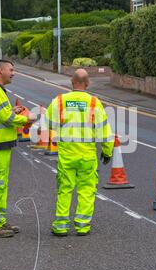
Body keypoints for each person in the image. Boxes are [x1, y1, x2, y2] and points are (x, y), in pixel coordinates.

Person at [45, 69, 114, 236]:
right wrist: (107, 151)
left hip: (67, 154)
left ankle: (60, 226)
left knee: (65, 189)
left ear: (71, 81)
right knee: (86, 190)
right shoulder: (94, 102)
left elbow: (48, 124)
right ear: (88, 83)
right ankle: (82, 225)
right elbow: (104, 132)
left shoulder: (60, 101)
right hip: (87, 155)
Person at [0, 60, 37, 238]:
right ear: (0, 70)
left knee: (1, 184)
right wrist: (28, 119)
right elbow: (6, 118)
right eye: (11, 70)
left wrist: (13, 110)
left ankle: (0, 221)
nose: (13, 73)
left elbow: (2, 113)